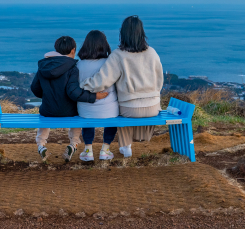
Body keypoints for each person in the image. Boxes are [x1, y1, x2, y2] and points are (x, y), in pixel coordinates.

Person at [80, 16, 163, 158]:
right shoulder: (152, 53)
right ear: (141, 33)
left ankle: (126, 146)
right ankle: (128, 145)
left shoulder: (118, 55)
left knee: (118, 110)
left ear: (122, 34)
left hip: (130, 109)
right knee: (124, 108)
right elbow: (159, 81)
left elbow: (102, 81)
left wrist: (83, 84)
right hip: (153, 107)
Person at [31, 35, 108, 162]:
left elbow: (35, 88)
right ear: (73, 50)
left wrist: (48, 96)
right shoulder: (72, 67)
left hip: (48, 110)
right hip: (69, 111)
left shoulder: (43, 66)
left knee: (44, 115)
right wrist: (94, 96)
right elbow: (73, 92)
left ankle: (40, 145)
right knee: (77, 113)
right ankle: (73, 144)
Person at [76, 30, 119, 161]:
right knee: (113, 117)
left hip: (85, 108)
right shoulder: (109, 63)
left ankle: (88, 150)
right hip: (109, 108)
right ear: (104, 44)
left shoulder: (79, 64)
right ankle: (105, 149)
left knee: (87, 118)